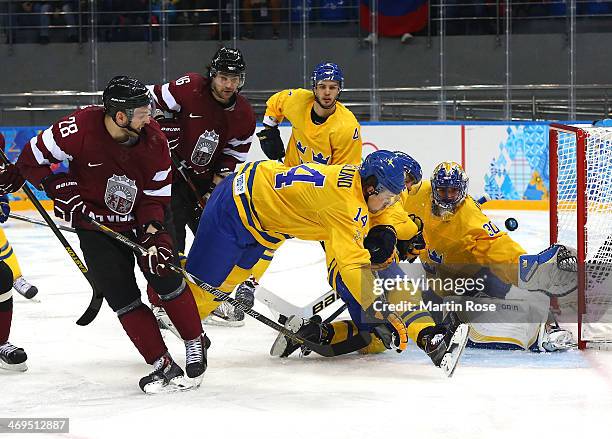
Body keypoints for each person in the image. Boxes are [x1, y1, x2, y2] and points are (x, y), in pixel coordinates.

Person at [185, 150, 468, 375]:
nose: (391, 202)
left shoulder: (361, 185)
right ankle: (170, 312)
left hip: (266, 226)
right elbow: (354, 266)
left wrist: (404, 230)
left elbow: (389, 215)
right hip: (235, 207)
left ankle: (427, 335)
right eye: (389, 196)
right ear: (372, 188)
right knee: (199, 292)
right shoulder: (346, 207)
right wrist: (381, 312)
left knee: (224, 285)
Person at [14, 76, 208, 394]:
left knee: (166, 278)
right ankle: (161, 363)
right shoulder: (76, 128)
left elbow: (156, 197)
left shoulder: (155, 141)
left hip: (142, 219)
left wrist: (153, 236)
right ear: (120, 116)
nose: (150, 116)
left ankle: (194, 342)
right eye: (143, 111)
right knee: (122, 297)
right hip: (96, 226)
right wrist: (58, 186)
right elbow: (30, 160)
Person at [396, 161, 576, 351]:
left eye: (453, 191)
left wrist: (526, 268)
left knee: (467, 322)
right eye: (442, 191)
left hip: (476, 278)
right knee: (434, 317)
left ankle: (540, 330)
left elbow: (497, 246)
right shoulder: (416, 196)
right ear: (433, 189)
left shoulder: (469, 217)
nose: (448, 197)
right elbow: (392, 210)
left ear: (462, 190)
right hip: (438, 282)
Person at [147, 46, 256, 326]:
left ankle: (205, 298)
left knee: (215, 243)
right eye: (223, 77)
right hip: (169, 177)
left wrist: (213, 190)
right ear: (212, 75)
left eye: (235, 79)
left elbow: (233, 156)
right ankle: (162, 303)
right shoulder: (191, 87)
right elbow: (149, 99)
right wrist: (160, 128)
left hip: (205, 183)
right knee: (170, 242)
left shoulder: (244, 114)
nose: (229, 85)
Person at [258, 62, 362, 167]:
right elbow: (275, 102)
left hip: (323, 182)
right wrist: (269, 128)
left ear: (339, 89)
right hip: (289, 177)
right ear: (314, 88)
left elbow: (345, 173)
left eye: (332, 87)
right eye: (322, 87)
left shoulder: (347, 127)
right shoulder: (298, 101)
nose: (327, 92)